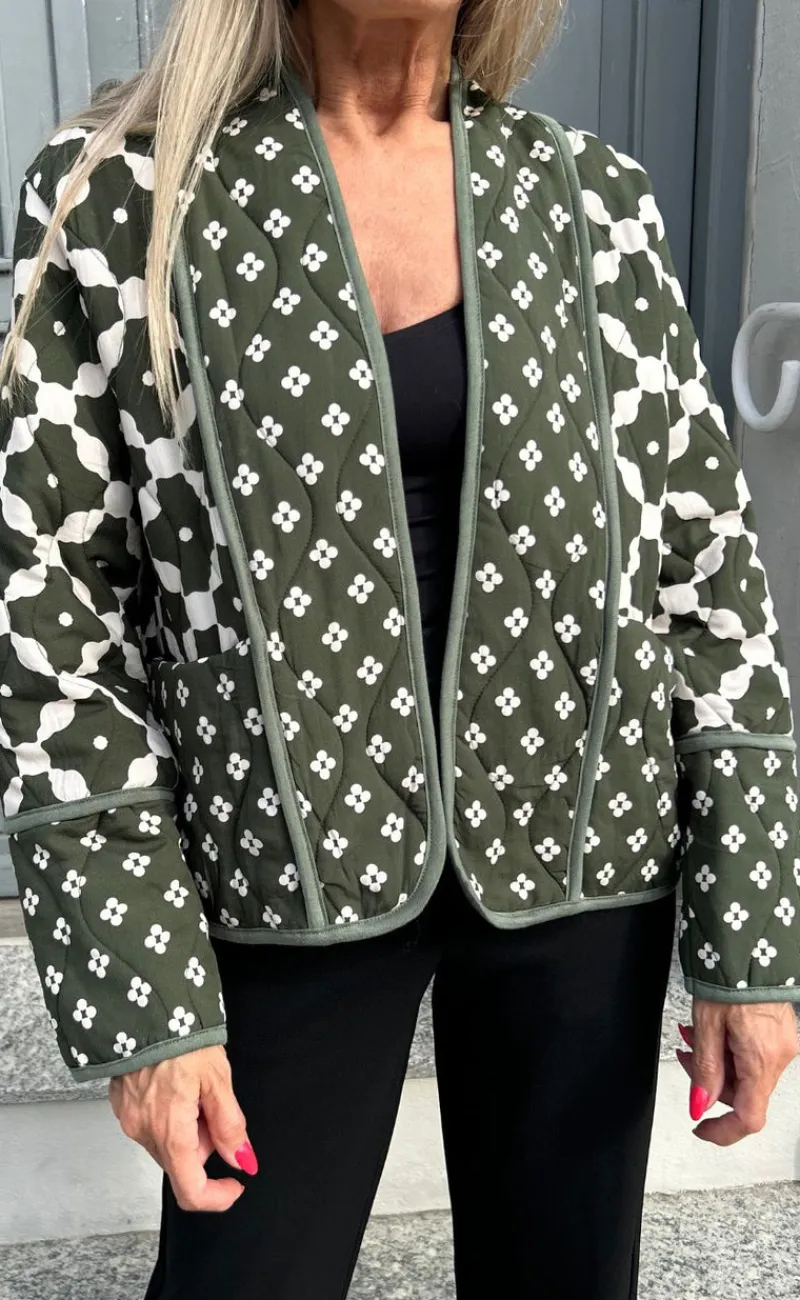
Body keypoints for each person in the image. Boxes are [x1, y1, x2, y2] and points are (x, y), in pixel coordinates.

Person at [1, 1, 798, 1297]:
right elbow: (52, 613)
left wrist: (752, 943)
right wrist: (144, 991)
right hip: (280, 864)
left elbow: (709, 581)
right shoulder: (122, 199)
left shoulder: (592, 202)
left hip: (583, 853)